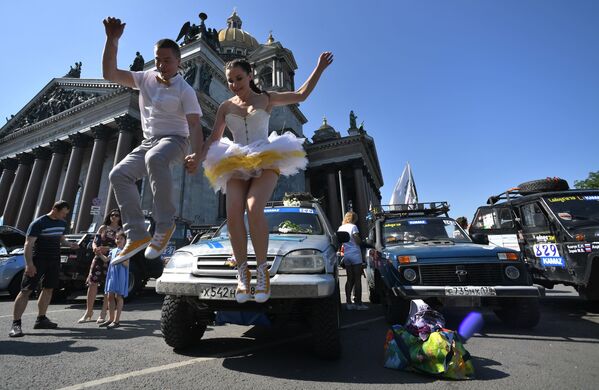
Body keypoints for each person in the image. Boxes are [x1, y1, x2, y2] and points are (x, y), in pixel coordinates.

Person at [199, 53, 333, 304]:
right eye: (230, 80)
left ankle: (262, 272)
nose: (235, 84)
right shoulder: (225, 106)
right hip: (235, 160)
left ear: (250, 76)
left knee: (253, 206)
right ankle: (242, 273)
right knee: (232, 213)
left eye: (239, 78)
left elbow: (302, 94)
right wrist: (197, 156)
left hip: (266, 157)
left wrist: (319, 68)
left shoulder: (267, 98)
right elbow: (214, 138)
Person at [102, 17, 203, 263]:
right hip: (148, 142)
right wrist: (112, 40)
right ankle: (136, 233)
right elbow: (110, 74)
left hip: (176, 140)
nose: (161, 64)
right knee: (117, 174)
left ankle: (165, 225)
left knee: (155, 157)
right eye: (158, 59)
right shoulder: (145, 78)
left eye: (167, 60)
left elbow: (194, 124)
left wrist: (197, 155)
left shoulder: (185, 90)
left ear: (179, 61)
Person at [8, 201, 79, 337]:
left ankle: (41, 319)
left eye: (66, 213)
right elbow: (28, 245)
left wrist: (70, 244)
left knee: (48, 289)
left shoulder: (62, 223)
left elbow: (61, 239)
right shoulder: (38, 223)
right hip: (38, 259)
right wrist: (29, 264)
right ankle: (16, 324)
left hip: (54, 259)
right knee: (26, 290)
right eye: (63, 212)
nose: (64, 216)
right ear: (54, 209)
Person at [78, 209, 123, 324]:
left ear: (120, 217)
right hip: (98, 257)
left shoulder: (121, 230)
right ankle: (88, 312)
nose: (114, 216)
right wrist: (94, 248)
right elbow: (95, 241)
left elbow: (122, 246)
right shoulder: (103, 228)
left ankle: (103, 313)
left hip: (112, 259)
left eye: (117, 215)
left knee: (107, 287)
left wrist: (107, 249)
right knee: (92, 283)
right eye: (112, 215)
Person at [337, 211, 368, 310]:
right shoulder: (353, 227)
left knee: (349, 279)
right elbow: (357, 240)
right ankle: (358, 303)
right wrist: (362, 242)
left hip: (346, 255)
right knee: (357, 279)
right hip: (355, 254)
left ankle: (348, 302)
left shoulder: (341, 228)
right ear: (353, 218)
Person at [97, 231, 128, 328]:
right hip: (112, 275)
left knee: (118, 297)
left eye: (121, 238)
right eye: (117, 238)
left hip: (120, 275)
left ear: (125, 240)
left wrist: (121, 258)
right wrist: (99, 254)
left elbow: (126, 264)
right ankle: (110, 319)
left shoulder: (126, 251)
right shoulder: (113, 250)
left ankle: (116, 321)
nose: (118, 240)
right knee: (110, 296)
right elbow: (106, 260)